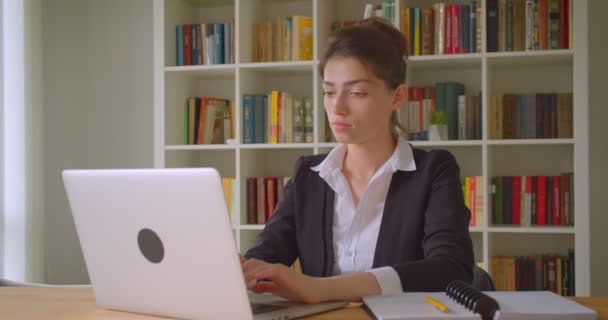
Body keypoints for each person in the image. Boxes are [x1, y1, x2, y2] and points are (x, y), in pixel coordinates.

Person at [241, 17, 474, 304]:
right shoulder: (309, 174)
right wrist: (240, 270)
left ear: (398, 96)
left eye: (356, 92)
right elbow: (266, 257)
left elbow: (451, 268)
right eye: (329, 91)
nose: (337, 107)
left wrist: (318, 288)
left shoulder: (433, 171)